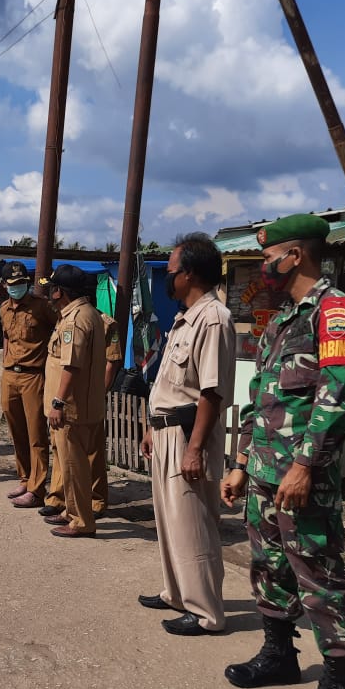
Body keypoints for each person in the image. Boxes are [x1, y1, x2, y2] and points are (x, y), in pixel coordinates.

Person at [220, 213, 345, 689]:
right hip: (262, 471)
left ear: (294, 255)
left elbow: (337, 396)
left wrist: (305, 465)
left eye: (267, 257)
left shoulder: (335, 311)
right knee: (270, 567)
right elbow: (260, 400)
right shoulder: (282, 319)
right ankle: (279, 655)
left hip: (301, 477)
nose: (264, 266)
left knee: (318, 576)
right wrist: (239, 463)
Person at [140, 234, 235, 636]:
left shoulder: (213, 319)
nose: (169, 277)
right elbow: (168, 383)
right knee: (170, 521)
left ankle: (206, 612)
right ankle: (176, 593)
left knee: (193, 523)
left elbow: (212, 393)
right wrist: (149, 427)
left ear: (190, 273)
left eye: (173, 270)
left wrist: (194, 449)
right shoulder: (185, 318)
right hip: (165, 432)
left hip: (186, 435)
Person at [42, 265, 105, 537]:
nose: (49, 294)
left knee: (73, 465)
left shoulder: (75, 319)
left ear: (60, 292)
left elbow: (71, 365)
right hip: (85, 403)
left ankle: (81, 520)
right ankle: (72, 510)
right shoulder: (88, 313)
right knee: (72, 463)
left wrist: (58, 402)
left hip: (72, 408)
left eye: (52, 289)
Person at [0, 261, 56, 509]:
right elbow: (6, 338)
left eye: (22, 283)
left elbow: (57, 333)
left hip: (34, 376)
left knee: (36, 435)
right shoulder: (3, 309)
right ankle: (24, 478)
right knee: (17, 431)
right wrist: (5, 362)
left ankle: (37, 488)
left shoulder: (42, 307)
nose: (18, 287)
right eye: (13, 284)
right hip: (10, 375)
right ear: (4, 285)